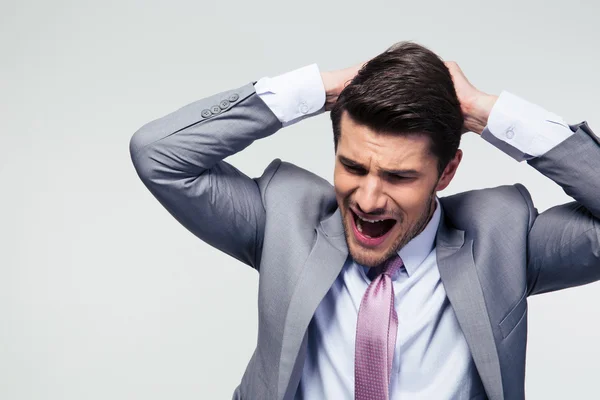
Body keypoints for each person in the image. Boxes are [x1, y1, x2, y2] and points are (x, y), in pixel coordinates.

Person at [128, 41, 600, 400]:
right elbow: (159, 156)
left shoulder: (504, 238)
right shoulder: (282, 217)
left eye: (399, 176)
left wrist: (487, 112)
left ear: (447, 171)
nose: (369, 198)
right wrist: (319, 90)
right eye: (352, 167)